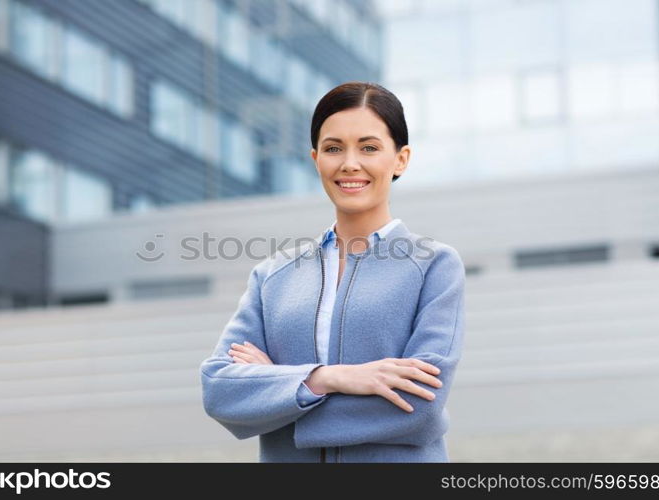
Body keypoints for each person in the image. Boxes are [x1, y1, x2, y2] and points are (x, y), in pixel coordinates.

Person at [199, 81, 466, 463]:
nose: (349, 163)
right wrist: (327, 378)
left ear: (401, 159)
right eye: (333, 148)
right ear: (315, 159)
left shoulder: (433, 266)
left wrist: (279, 392)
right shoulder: (273, 275)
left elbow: (419, 407)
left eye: (369, 148)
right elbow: (220, 390)